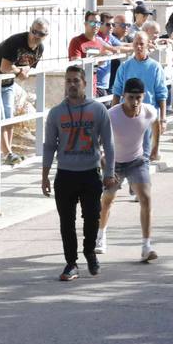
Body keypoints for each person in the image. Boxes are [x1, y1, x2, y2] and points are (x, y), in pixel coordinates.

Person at [42, 66, 116, 282]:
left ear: (85, 83)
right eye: (68, 81)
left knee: (92, 217)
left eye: (76, 81)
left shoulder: (97, 109)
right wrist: (45, 174)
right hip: (65, 174)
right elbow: (49, 145)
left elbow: (109, 144)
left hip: (90, 173)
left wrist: (109, 172)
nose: (72, 85)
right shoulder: (56, 113)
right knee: (67, 221)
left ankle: (90, 252)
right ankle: (71, 263)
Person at [100, 78, 160, 262]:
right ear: (123, 96)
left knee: (146, 198)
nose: (134, 102)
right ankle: (100, 236)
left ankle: (146, 246)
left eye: (138, 98)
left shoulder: (149, 111)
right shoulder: (112, 115)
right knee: (108, 200)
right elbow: (98, 140)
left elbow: (156, 124)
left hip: (137, 161)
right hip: (114, 163)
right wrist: (105, 163)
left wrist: (156, 148)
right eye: (131, 98)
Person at [0, 20, 48, 165]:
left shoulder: (40, 49)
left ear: (45, 35)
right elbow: (5, 67)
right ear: (30, 29)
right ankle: (7, 153)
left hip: (7, 83)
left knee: (9, 119)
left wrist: (24, 70)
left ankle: (8, 153)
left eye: (40, 34)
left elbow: (28, 66)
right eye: (34, 31)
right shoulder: (16, 41)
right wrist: (20, 71)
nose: (36, 36)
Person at [111, 31, 167, 162]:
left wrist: (163, 119)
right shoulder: (125, 67)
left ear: (148, 45)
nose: (139, 47)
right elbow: (117, 92)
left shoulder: (155, 67)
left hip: (146, 116)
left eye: (142, 44)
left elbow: (161, 94)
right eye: (136, 44)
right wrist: (113, 115)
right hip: (126, 115)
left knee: (144, 155)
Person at [69, 11, 113, 98]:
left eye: (98, 23)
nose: (96, 25)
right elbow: (76, 65)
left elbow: (97, 65)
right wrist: (97, 58)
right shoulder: (76, 41)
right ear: (85, 24)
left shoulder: (99, 42)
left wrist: (103, 58)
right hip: (77, 90)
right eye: (92, 22)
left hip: (93, 88)